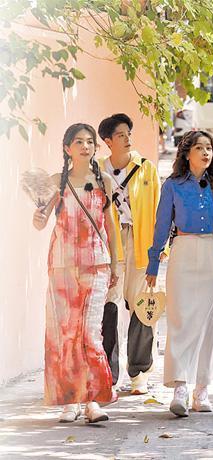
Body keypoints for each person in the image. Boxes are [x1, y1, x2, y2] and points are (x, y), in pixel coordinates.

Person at [33, 123, 119, 423]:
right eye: (79, 141)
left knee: (91, 333)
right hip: (62, 265)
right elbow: (40, 223)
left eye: (90, 141)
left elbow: (110, 226)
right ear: (68, 148)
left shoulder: (104, 181)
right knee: (65, 334)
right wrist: (38, 215)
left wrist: (116, 264)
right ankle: (70, 400)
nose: (86, 146)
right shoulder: (57, 182)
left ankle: (92, 400)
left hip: (96, 263)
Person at [145, 130, 213, 417]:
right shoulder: (172, 185)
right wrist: (153, 265)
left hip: (211, 252)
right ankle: (179, 387)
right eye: (199, 147)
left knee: (209, 325)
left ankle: (202, 389)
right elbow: (161, 225)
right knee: (180, 320)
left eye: (209, 148)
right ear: (186, 153)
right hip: (182, 250)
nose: (206, 152)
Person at [97, 113, 161, 395]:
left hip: (141, 240)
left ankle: (139, 373)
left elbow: (160, 210)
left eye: (128, 133)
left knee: (143, 306)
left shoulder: (146, 168)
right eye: (120, 135)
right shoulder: (97, 171)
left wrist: (160, 251)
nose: (127, 138)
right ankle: (108, 375)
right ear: (108, 141)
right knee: (108, 307)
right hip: (110, 243)